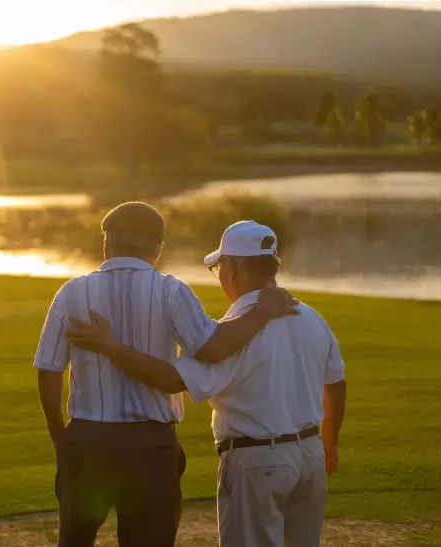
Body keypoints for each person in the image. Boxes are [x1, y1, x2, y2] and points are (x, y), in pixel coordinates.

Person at [67, 220, 348, 547]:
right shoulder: (313, 318)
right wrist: (329, 445)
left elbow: (174, 380)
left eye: (219, 267)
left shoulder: (232, 332)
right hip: (310, 458)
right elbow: (336, 384)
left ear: (235, 268)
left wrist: (109, 346)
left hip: (256, 463)